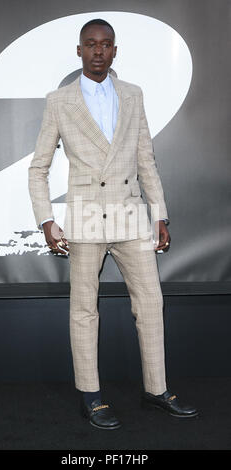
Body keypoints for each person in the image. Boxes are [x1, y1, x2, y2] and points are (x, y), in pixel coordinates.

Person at [28, 18, 198, 430]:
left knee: (151, 305)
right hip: (85, 219)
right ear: (80, 51)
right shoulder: (59, 100)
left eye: (106, 44)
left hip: (131, 214)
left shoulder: (133, 95)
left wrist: (160, 214)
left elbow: (145, 160)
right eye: (91, 44)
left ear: (115, 50)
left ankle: (156, 390)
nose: (98, 51)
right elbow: (39, 168)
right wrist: (47, 219)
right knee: (84, 310)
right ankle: (91, 396)